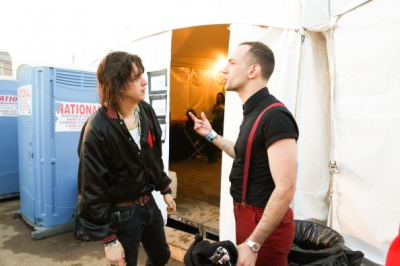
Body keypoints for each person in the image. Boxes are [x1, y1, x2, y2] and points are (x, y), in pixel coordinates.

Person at [189, 41, 299, 266]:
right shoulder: (254, 111)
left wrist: (254, 243)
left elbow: (286, 187)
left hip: (264, 224)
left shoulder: (275, 116)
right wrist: (211, 135)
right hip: (249, 218)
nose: (224, 70)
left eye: (232, 63)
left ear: (253, 70)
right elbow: (243, 153)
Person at [76, 51, 176, 266]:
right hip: (122, 214)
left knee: (161, 256)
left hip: (149, 205)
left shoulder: (146, 111)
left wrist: (164, 189)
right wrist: (109, 240)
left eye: (142, 74)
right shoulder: (97, 128)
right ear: (118, 85)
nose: (144, 81)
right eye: (135, 77)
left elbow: (153, 157)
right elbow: (91, 186)